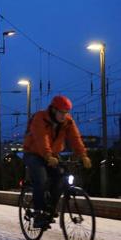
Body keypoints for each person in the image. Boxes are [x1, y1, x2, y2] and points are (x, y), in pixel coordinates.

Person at [22, 95, 92, 229]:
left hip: (52, 154)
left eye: (66, 113)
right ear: (54, 110)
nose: (64, 116)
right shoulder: (40, 118)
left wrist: (83, 156)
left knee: (62, 178)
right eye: (61, 112)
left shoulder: (68, 122)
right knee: (41, 179)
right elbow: (41, 138)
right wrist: (48, 156)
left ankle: (50, 208)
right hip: (33, 153)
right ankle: (38, 214)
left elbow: (75, 138)